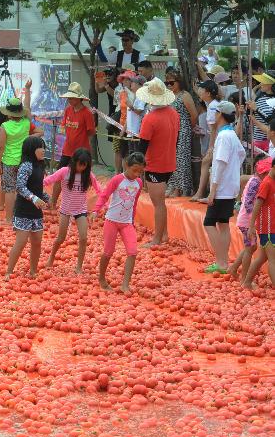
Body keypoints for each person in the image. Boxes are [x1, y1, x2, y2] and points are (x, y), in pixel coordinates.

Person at [42, 148, 102, 273]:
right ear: (74, 162)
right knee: (61, 238)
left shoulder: (88, 175)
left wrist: (101, 206)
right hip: (65, 210)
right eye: (80, 164)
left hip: (81, 210)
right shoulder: (65, 171)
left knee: (84, 238)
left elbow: (100, 190)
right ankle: (52, 256)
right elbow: (49, 180)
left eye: (85, 165)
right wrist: (34, 185)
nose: (82, 168)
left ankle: (79, 266)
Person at [201, 101, 244, 274]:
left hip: (222, 187)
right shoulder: (231, 134)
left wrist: (212, 190)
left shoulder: (224, 136)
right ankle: (222, 261)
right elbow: (241, 154)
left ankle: (221, 262)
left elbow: (219, 164)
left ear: (220, 114)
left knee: (209, 222)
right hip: (230, 185)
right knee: (223, 223)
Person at [137, 78, 180, 248]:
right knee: (160, 202)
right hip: (169, 161)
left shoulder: (150, 118)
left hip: (155, 164)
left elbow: (142, 146)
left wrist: (139, 168)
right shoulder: (173, 114)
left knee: (158, 204)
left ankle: (157, 239)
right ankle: (164, 234)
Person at [94, 153, 145, 292]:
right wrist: (95, 210)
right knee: (108, 252)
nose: (137, 174)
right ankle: (102, 279)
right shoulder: (117, 180)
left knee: (133, 252)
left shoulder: (139, 183)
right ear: (126, 166)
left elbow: (134, 203)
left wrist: (132, 220)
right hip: (112, 221)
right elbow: (104, 195)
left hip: (127, 223)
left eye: (140, 172)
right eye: (134, 170)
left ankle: (125, 285)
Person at [5, 137, 50, 279]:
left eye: (43, 147)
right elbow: (20, 187)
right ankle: (9, 272)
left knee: (37, 241)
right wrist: (34, 198)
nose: (43, 150)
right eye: (40, 147)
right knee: (21, 241)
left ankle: (33, 271)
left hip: (36, 210)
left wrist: (44, 197)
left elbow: (36, 187)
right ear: (31, 149)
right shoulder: (26, 165)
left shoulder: (40, 165)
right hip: (24, 209)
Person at [53, 82, 96, 208]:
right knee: (59, 176)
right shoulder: (67, 110)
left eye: (71, 98)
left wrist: (81, 140)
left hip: (81, 152)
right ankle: (53, 202)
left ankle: (79, 204)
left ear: (79, 98)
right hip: (67, 150)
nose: (69, 100)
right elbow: (64, 128)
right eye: (69, 98)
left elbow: (91, 132)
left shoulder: (87, 113)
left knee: (82, 179)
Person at [230, 156, 273, 281]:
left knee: (251, 247)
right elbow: (249, 203)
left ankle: (233, 268)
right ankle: (244, 279)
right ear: (264, 172)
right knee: (250, 249)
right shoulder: (255, 182)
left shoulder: (256, 180)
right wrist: (253, 223)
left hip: (247, 221)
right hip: (247, 222)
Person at [0, 97, 33, 224]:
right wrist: (27, 90)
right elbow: (28, 110)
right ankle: (22, 216)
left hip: (9, 161)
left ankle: (9, 219)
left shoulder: (4, 126)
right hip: (24, 160)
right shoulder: (27, 123)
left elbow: (0, 147)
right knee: (22, 188)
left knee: (10, 190)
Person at [165, 70, 198, 197]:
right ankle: (173, 186)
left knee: (181, 160)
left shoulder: (185, 95)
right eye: (166, 82)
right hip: (171, 130)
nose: (169, 85)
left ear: (179, 82)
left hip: (183, 129)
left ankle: (181, 188)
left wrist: (189, 128)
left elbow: (194, 115)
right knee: (172, 160)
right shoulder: (169, 96)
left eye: (171, 82)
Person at [243, 159, 275, 289]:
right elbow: (257, 205)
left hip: (271, 226)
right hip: (266, 227)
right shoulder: (266, 183)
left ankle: (247, 282)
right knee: (273, 259)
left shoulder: (272, 182)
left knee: (262, 258)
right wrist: (251, 226)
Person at [191, 79, 222, 202]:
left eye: (201, 90)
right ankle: (202, 193)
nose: (199, 91)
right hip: (218, 139)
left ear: (208, 93)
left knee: (209, 164)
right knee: (208, 165)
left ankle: (204, 194)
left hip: (218, 140)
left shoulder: (212, 106)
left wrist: (211, 147)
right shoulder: (212, 104)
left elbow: (214, 129)